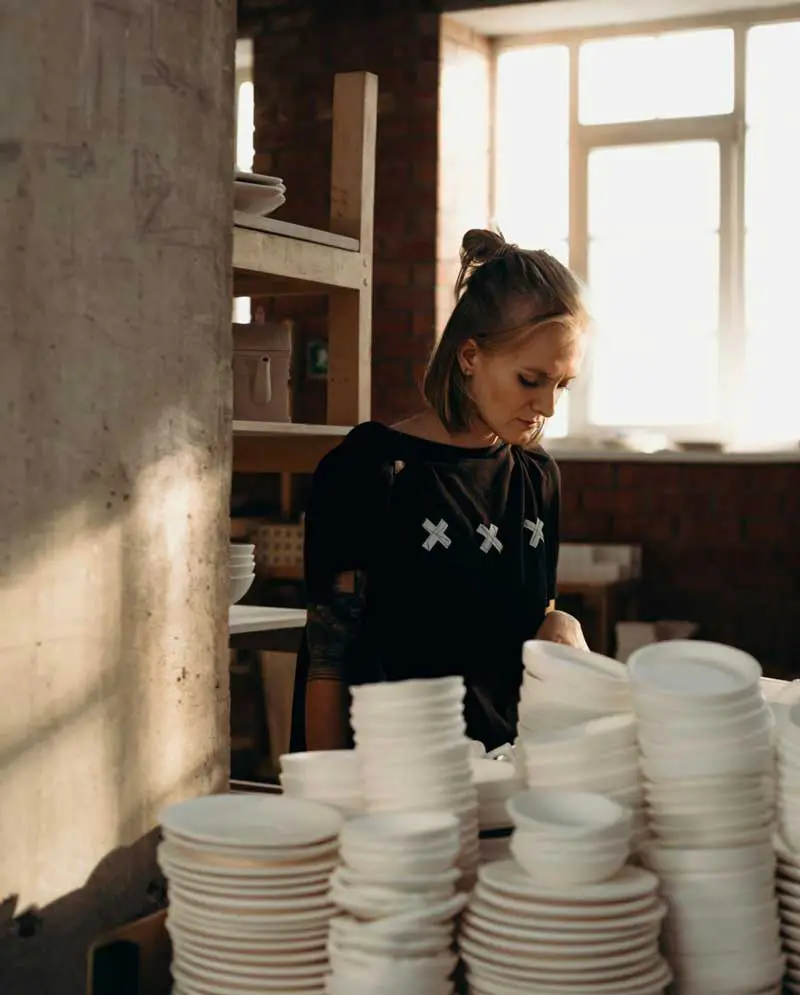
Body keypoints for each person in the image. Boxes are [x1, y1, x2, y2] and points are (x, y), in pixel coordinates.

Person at [294, 228, 590, 753]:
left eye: (561, 385)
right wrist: (328, 805)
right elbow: (328, 656)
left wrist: (558, 623)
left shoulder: (537, 477)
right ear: (470, 356)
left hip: (503, 779)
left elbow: (529, 619)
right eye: (531, 379)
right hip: (393, 786)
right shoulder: (370, 469)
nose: (547, 406)